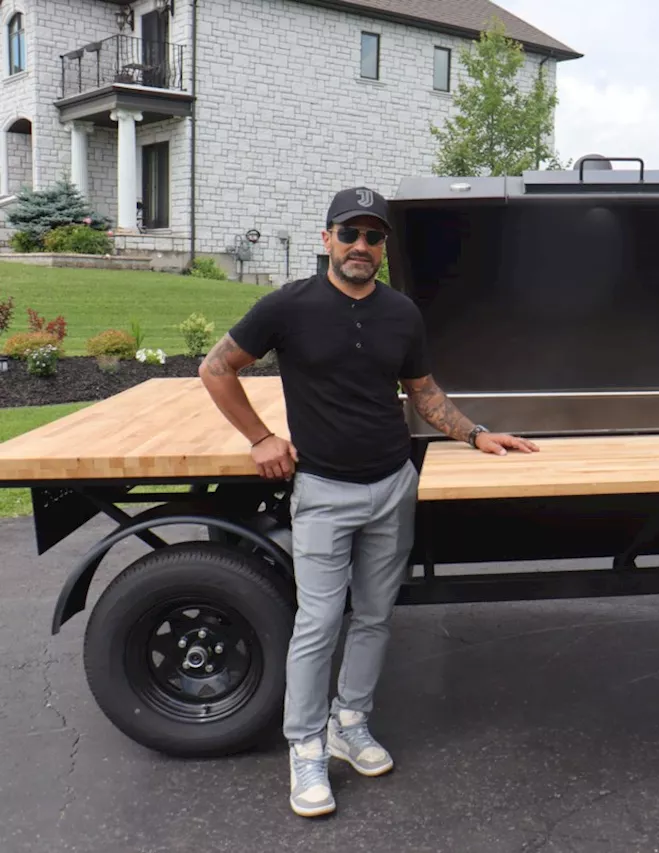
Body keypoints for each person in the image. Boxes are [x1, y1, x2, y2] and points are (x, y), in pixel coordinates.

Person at [198, 186, 538, 817]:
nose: (361, 246)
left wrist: (477, 434)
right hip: (324, 491)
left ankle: (348, 723)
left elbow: (424, 392)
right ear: (325, 238)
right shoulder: (288, 307)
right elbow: (216, 368)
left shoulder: (401, 313)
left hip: (391, 486)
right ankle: (305, 749)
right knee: (319, 623)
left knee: (377, 616)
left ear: (383, 247)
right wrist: (261, 436)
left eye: (373, 237)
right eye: (349, 234)